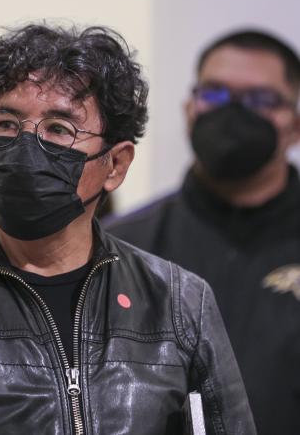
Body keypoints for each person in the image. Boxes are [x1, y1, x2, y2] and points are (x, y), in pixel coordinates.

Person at [0, 23, 255, 434]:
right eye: (6, 123)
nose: (26, 147)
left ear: (115, 165)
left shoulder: (179, 303)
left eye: (59, 129)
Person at [107, 29, 300, 435]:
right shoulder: (119, 247)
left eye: (260, 100)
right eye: (214, 93)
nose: (232, 112)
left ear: (295, 124)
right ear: (189, 108)